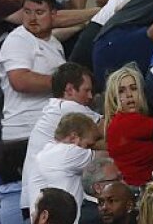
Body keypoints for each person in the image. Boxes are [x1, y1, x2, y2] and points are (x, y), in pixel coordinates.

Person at [0, 0, 70, 182]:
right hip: (24, 134)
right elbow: (19, 80)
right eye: (27, 12)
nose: (32, 18)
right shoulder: (18, 39)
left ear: (53, 14)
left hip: (46, 132)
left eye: (39, 12)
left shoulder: (54, 44)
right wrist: (67, 84)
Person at [19, 62, 101, 214]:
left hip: (35, 198)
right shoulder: (67, 107)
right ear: (69, 90)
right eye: (86, 90)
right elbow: (109, 130)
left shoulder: (55, 107)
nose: (90, 96)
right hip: (48, 203)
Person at [25, 113, 100, 220]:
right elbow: (109, 155)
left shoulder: (48, 151)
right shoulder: (67, 152)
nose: (90, 149)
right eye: (89, 145)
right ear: (74, 138)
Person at [103, 64, 153, 185]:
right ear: (113, 97)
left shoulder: (115, 123)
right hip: (143, 192)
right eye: (121, 91)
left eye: (133, 88)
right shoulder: (127, 122)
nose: (129, 94)